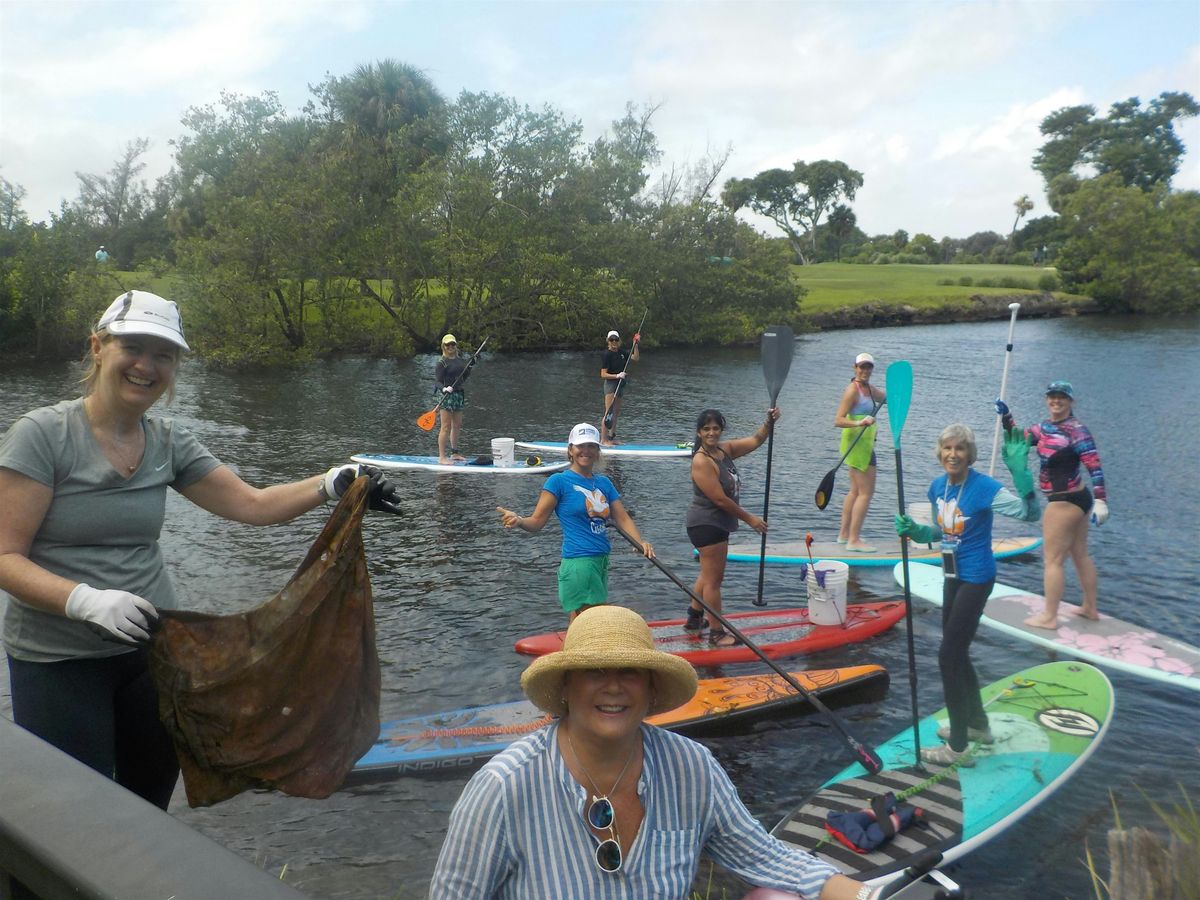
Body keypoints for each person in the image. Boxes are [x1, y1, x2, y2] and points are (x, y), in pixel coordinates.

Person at [0, 289, 401, 810]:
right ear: (98, 347)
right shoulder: (42, 435)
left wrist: (332, 483)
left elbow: (252, 505)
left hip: (154, 650)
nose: (147, 365)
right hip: (58, 659)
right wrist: (85, 600)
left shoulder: (167, 441)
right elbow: (6, 557)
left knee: (146, 807)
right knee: (75, 814)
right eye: (134, 347)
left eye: (163, 354)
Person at [429, 604, 880, 899]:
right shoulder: (503, 787)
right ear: (566, 686)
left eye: (630, 672)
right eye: (594, 672)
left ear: (649, 689)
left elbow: (762, 855)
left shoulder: (690, 766)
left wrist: (861, 894)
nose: (613, 686)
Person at [893, 424, 1040, 767]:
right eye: (947, 447)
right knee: (957, 654)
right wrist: (917, 531)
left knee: (948, 657)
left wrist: (1022, 475)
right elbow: (939, 530)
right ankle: (978, 727)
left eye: (960, 449)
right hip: (952, 576)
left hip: (977, 578)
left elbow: (1030, 514)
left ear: (970, 455)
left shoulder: (984, 488)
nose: (953, 454)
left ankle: (958, 749)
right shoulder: (937, 487)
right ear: (939, 451)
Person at [497, 423, 653, 622]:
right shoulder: (558, 482)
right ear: (570, 449)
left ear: (598, 450)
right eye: (580, 446)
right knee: (596, 619)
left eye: (591, 445)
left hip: (601, 561)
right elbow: (536, 522)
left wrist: (640, 543)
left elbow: (622, 517)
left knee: (580, 620)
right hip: (579, 563)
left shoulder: (604, 483)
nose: (585, 451)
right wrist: (519, 521)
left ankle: (572, 651)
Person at [997, 381, 1108, 629]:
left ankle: (1049, 617)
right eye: (1052, 397)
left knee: (1053, 560)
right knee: (1079, 554)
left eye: (1062, 397)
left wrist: (1102, 500)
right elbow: (1020, 438)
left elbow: (1095, 466)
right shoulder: (1044, 428)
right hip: (1078, 499)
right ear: (1047, 399)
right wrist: (1006, 417)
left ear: (1071, 401)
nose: (1056, 401)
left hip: (1064, 502)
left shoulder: (1078, 431)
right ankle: (1090, 608)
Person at [685, 407, 781, 647]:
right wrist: (750, 519)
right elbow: (719, 499)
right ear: (699, 432)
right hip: (706, 524)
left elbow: (756, 440)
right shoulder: (701, 460)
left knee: (707, 575)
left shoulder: (724, 450)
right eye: (706, 429)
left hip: (717, 524)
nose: (711, 433)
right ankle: (716, 633)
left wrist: (768, 422)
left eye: (716, 428)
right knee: (714, 581)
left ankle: (694, 619)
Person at [834, 352, 886, 552]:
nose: (864, 371)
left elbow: (889, 398)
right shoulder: (852, 391)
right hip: (856, 444)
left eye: (868, 367)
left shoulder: (870, 389)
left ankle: (844, 534)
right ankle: (854, 540)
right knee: (866, 493)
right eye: (861, 367)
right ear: (854, 367)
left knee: (855, 491)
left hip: (863, 444)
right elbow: (838, 420)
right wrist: (859, 421)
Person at [434, 334, 471, 464]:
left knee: (457, 425)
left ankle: (454, 453)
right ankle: (442, 457)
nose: (450, 347)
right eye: (447, 345)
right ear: (443, 346)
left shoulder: (460, 361)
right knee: (445, 427)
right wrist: (444, 389)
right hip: (446, 396)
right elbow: (437, 382)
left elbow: (464, 377)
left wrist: (471, 365)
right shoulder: (442, 363)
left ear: (455, 345)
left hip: (459, 395)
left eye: (452, 344)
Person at [600, 329, 639, 446]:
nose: (614, 342)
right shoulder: (607, 355)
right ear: (608, 341)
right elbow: (603, 374)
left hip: (620, 384)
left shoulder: (622, 352)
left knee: (616, 412)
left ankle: (611, 437)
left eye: (616, 340)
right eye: (611, 340)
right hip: (611, 384)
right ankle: (604, 439)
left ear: (619, 341)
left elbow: (635, 358)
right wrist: (617, 375)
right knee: (609, 413)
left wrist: (635, 345)